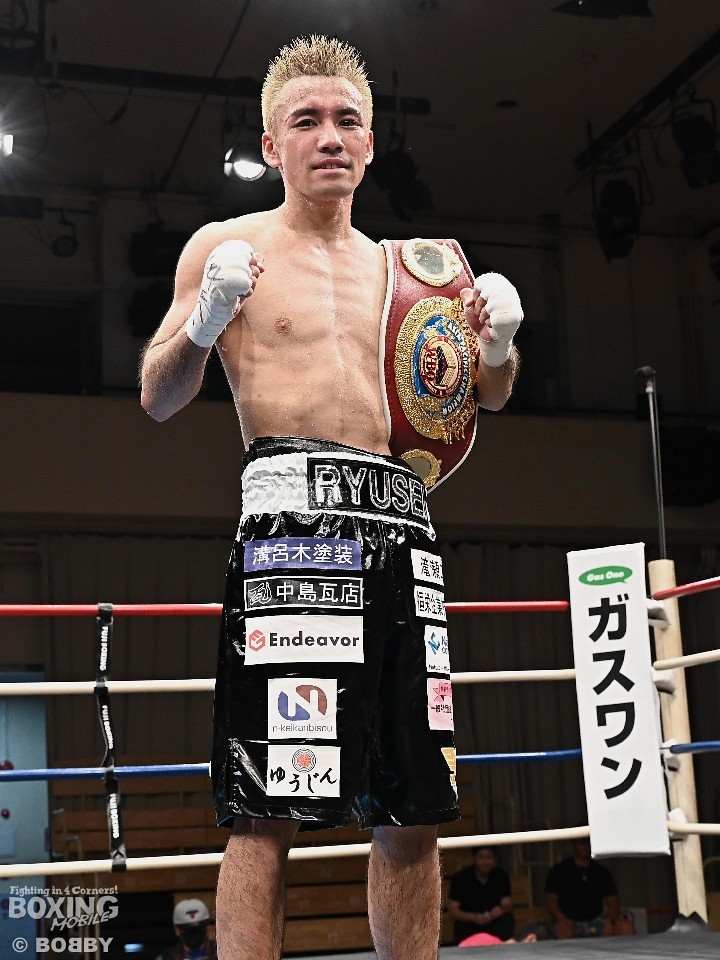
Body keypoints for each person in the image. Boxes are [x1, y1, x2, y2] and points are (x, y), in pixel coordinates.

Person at [139, 34, 522, 960]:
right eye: (306, 121)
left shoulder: (413, 271)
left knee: (414, 805)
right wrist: (204, 321)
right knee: (265, 806)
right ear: (272, 144)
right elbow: (158, 393)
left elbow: (483, 398)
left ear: (371, 142)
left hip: (404, 527)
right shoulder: (226, 246)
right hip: (292, 533)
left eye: (347, 120)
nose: (329, 137)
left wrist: (500, 345)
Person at [544, 836, 635, 938]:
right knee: (562, 929)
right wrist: (561, 918)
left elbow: (613, 901)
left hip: (596, 921)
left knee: (626, 927)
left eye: (589, 842)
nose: (587, 846)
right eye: (582, 842)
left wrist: (609, 921)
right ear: (573, 845)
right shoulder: (559, 871)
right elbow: (551, 900)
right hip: (569, 922)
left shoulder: (601, 872)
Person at [447, 845, 515, 943]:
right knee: (461, 925)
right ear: (474, 859)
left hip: (494, 924)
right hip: (469, 925)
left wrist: (501, 910)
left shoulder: (501, 876)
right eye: (481, 858)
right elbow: (453, 910)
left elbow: (507, 904)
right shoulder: (461, 878)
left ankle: (500, 947)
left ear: (494, 860)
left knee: (507, 918)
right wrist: (475, 917)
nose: (485, 862)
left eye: (489, 858)